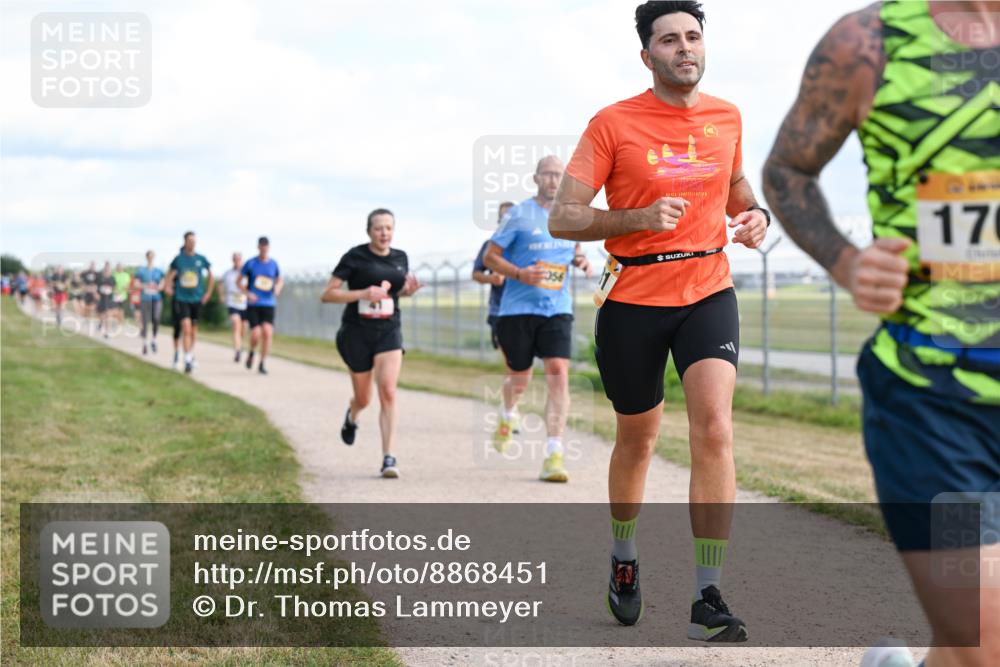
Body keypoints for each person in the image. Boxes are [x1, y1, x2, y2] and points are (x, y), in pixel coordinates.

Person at [762, 2, 999, 665]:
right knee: (986, 639)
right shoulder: (867, 44)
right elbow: (786, 169)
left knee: (965, 643)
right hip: (936, 406)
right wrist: (847, 262)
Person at [549, 0, 770, 640]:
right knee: (638, 440)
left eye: (693, 36)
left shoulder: (727, 116)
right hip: (634, 299)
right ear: (647, 55)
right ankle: (624, 556)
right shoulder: (612, 123)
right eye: (669, 39)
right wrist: (636, 220)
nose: (684, 48)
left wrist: (754, 214)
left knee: (715, 430)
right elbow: (564, 217)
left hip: (707, 288)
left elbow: (733, 184)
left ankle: (708, 592)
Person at [483, 157, 592, 482]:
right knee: (520, 379)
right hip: (516, 311)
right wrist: (519, 273)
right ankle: (507, 413)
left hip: (557, 308)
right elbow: (491, 256)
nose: (553, 180)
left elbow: (572, 252)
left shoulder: (570, 217)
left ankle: (553, 455)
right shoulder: (517, 215)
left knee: (558, 372)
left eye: (559, 175)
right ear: (536, 178)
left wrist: (582, 262)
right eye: (547, 174)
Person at [321, 208, 422, 478]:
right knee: (364, 398)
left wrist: (406, 292)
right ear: (369, 231)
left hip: (389, 330)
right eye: (379, 228)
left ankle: (389, 458)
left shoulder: (401, 258)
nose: (384, 233)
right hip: (356, 333)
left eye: (389, 228)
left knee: (388, 391)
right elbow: (328, 294)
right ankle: (352, 416)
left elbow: (395, 293)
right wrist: (363, 293)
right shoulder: (355, 257)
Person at [165, 232, 214, 374]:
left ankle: (190, 354)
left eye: (194, 241)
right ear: (185, 242)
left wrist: (208, 293)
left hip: (197, 299)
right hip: (182, 298)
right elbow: (170, 273)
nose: (192, 243)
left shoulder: (201, 259)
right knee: (185, 327)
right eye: (190, 241)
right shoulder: (179, 259)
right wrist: (168, 287)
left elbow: (210, 274)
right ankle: (186, 359)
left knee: (193, 329)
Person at [473, 201, 516, 354]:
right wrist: (492, 279)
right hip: (499, 311)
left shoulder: (526, 245)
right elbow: (476, 274)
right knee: (511, 363)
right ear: (499, 221)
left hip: (525, 309)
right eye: (504, 218)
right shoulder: (490, 246)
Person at [240, 237, 283, 375]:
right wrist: (247, 294)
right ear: (258, 247)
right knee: (256, 333)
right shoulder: (251, 263)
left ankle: (262, 362)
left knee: (268, 332)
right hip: (254, 304)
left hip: (268, 303)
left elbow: (279, 279)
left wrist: (277, 288)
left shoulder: (273, 264)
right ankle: (252, 352)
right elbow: (238, 282)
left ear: (268, 248)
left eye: (266, 246)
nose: (264, 249)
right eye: (262, 246)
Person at [133, 251, 164, 355]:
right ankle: (145, 343)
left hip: (156, 299)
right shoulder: (141, 271)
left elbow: (163, 283)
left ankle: (154, 340)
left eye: (152, 256)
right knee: (145, 321)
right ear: (146, 257)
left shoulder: (159, 271)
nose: (151, 258)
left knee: (156, 318)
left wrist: (159, 287)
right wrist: (146, 286)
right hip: (145, 298)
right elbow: (136, 284)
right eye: (149, 256)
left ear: (154, 257)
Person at [219, 252, 248, 362]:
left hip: (244, 303)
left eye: (239, 259)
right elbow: (220, 283)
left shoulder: (247, 273)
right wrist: (222, 295)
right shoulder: (228, 273)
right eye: (235, 259)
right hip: (232, 302)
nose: (237, 261)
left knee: (244, 327)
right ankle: (237, 350)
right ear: (232, 260)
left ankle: (239, 343)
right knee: (236, 323)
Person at [96, 262, 116, 337]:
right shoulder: (100, 277)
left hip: (109, 298)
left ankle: (107, 331)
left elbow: (114, 287)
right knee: (101, 314)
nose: (107, 270)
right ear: (104, 269)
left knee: (108, 314)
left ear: (110, 270)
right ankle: (101, 323)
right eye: (106, 268)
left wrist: (110, 290)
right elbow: (96, 287)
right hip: (101, 298)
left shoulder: (112, 278)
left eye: (109, 269)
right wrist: (96, 294)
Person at [111, 263, 130, 327]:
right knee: (115, 310)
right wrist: (114, 290)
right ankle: (117, 321)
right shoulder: (113, 275)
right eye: (117, 267)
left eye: (120, 267)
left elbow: (127, 285)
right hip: (115, 295)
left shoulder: (126, 275)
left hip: (123, 296)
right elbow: (111, 284)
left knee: (121, 310)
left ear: (123, 268)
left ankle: (120, 324)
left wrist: (126, 288)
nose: (119, 268)